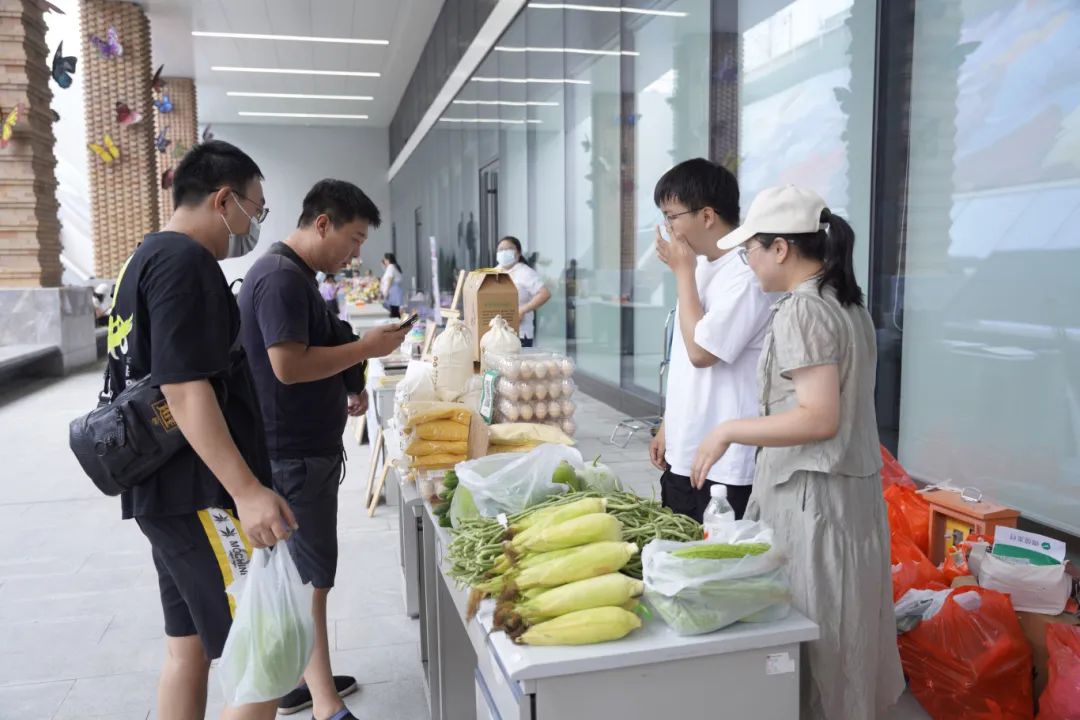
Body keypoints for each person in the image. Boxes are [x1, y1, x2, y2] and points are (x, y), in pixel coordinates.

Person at [691, 185, 905, 719]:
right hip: (845, 497)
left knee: (818, 643)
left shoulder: (804, 311)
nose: (750, 262)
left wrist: (728, 430)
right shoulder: (844, 303)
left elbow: (818, 416)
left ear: (781, 248)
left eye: (751, 251)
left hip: (814, 501)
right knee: (849, 638)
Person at [103, 140, 296, 720]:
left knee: (186, 647)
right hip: (199, 493)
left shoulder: (141, 260)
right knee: (260, 646)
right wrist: (246, 491)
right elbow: (186, 390)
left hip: (162, 491)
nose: (254, 224)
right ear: (223, 199)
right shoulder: (186, 264)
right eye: (255, 211)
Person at [238, 179, 409, 720]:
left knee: (299, 579)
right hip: (290, 456)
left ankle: (301, 679)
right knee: (307, 580)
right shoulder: (282, 278)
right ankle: (325, 706)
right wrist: (367, 348)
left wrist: (347, 382)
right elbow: (287, 367)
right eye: (354, 239)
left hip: (297, 451)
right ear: (322, 223)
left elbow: (308, 350)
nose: (357, 252)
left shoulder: (292, 275)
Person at [647, 159, 773, 522]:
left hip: (726, 463)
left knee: (716, 569)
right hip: (686, 446)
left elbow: (702, 353)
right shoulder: (698, 265)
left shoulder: (745, 274)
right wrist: (668, 424)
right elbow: (684, 358)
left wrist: (683, 273)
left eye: (672, 216)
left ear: (706, 216)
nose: (667, 228)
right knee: (676, 558)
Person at [496, 236, 550, 347]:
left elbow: (545, 294)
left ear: (518, 252)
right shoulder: (495, 271)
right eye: (500, 250)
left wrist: (522, 310)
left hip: (520, 333)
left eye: (508, 249)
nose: (504, 252)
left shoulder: (525, 272)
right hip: (498, 334)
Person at [380, 252, 404, 318]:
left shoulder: (391, 267)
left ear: (388, 260)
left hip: (393, 290)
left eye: (384, 260)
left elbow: (390, 279)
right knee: (395, 310)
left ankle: (396, 326)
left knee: (394, 311)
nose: (384, 262)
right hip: (395, 290)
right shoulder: (394, 266)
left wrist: (386, 291)